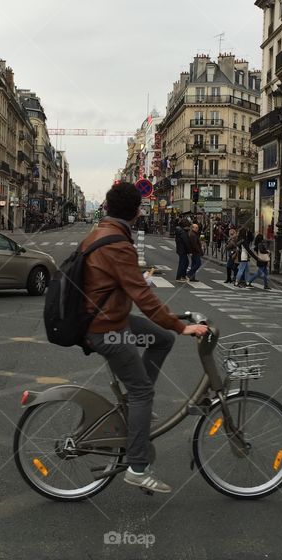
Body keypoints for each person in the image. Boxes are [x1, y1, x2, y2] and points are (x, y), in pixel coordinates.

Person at [82, 182, 208, 494]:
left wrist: (169, 325)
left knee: (161, 340)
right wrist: (182, 327)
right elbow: (143, 298)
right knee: (141, 391)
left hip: (109, 315)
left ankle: (136, 406)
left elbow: (124, 284)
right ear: (138, 212)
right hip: (105, 326)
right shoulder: (117, 243)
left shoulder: (102, 232)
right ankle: (137, 467)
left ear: (108, 208)